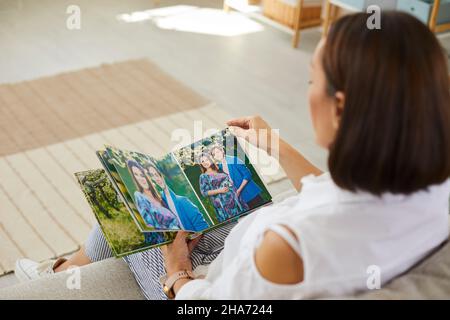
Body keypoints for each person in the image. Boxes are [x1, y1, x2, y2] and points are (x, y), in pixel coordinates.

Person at [14, 12, 450, 300]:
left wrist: (178, 276)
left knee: (133, 213)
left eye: (311, 80)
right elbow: (337, 198)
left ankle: (55, 274)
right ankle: (60, 267)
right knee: (167, 192)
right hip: (245, 248)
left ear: (338, 106)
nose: (307, 91)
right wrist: (277, 146)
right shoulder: (432, 188)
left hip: (207, 285)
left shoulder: (290, 246)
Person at [143, 160, 210, 232]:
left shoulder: (182, 201)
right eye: (152, 176)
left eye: (157, 174)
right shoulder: (156, 207)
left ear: (162, 175)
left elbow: (202, 227)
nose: (157, 178)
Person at [127, 160, 181, 230]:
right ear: (134, 178)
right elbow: (150, 224)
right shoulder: (140, 196)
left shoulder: (160, 196)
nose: (141, 179)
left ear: (146, 175)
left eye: (142, 175)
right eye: (136, 175)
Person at [210, 144, 264, 209]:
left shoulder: (234, 159)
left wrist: (239, 190)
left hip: (250, 193)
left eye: (218, 152)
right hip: (240, 199)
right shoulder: (220, 167)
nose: (217, 155)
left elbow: (247, 175)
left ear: (222, 151)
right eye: (214, 154)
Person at [198, 153, 247, 222]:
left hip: (235, 199)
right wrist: (219, 190)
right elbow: (204, 192)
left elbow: (228, 180)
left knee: (246, 219)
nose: (205, 162)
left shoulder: (219, 169)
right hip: (224, 205)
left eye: (207, 159)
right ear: (201, 164)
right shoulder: (203, 176)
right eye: (202, 161)